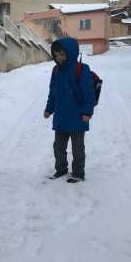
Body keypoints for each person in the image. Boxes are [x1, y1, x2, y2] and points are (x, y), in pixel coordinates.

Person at [44, 37, 95, 183]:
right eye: (56, 55)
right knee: (58, 147)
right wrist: (49, 108)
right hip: (61, 116)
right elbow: (52, 92)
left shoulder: (81, 69)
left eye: (62, 54)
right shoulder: (56, 71)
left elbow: (88, 92)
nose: (59, 58)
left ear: (71, 53)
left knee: (77, 148)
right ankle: (61, 169)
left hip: (78, 117)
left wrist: (87, 112)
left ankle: (78, 173)